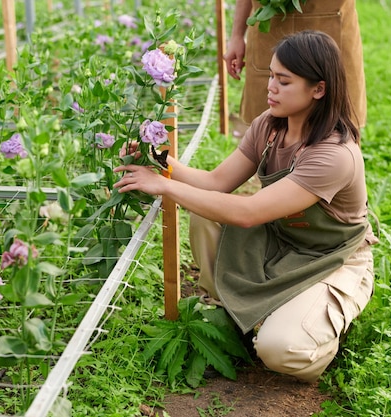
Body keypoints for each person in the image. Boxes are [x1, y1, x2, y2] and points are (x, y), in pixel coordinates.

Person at [114, 30, 377, 382]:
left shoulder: (334, 155)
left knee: (280, 349)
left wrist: (163, 187)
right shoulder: (268, 127)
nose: (270, 87)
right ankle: (246, 314)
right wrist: (160, 161)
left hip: (332, 259)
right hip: (283, 242)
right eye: (271, 76)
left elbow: (249, 214)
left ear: (319, 89)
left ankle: (318, 334)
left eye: (283, 81)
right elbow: (215, 184)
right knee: (206, 215)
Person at [224, 0, 367, 131]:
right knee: (265, 131)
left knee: (337, 128)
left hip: (331, 26)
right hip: (269, 29)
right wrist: (237, 35)